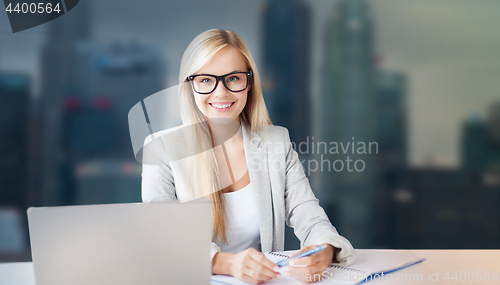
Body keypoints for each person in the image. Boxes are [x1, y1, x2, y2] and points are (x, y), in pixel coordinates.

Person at [141, 29, 355, 284]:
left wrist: (324, 249)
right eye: (206, 80)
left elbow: (306, 212)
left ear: (249, 82)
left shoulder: (276, 141)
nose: (221, 93)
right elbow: (163, 234)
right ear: (190, 86)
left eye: (233, 78)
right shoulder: (160, 148)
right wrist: (226, 264)